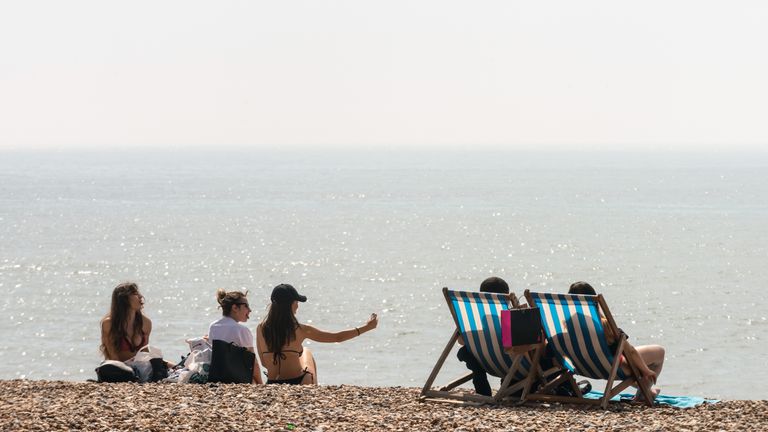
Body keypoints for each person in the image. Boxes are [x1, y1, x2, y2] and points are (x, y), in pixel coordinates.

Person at [256, 283, 378, 385]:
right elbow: (337, 337)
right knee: (306, 352)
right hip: (299, 382)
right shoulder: (300, 329)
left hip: (271, 383)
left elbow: (264, 363)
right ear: (291, 304)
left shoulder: (260, 329)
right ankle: (314, 389)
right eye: (296, 302)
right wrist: (367, 327)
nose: (297, 306)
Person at [568, 281, 665, 401]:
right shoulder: (603, 325)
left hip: (584, 367)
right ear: (595, 302)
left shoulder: (565, 325)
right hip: (612, 369)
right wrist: (646, 370)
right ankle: (644, 395)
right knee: (659, 352)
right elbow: (630, 352)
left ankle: (648, 392)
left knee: (632, 363)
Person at [456, 276, 510, 396]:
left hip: (484, 363)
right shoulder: (510, 316)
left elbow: (461, 341)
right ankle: (509, 386)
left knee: (465, 351)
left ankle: (482, 388)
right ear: (507, 297)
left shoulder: (472, 317)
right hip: (511, 366)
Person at [208, 289, 264, 384]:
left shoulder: (213, 326)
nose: (250, 310)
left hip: (217, 377)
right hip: (237, 379)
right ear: (235, 308)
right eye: (246, 306)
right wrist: (260, 384)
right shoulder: (242, 330)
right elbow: (253, 363)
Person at [100, 282, 152, 362]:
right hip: (118, 368)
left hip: (141, 367)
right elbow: (113, 357)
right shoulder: (109, 324)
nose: (141, 297)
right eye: (135, 293)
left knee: (165, 363)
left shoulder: (146, 323)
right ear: (124, 299)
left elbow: (145, 353)